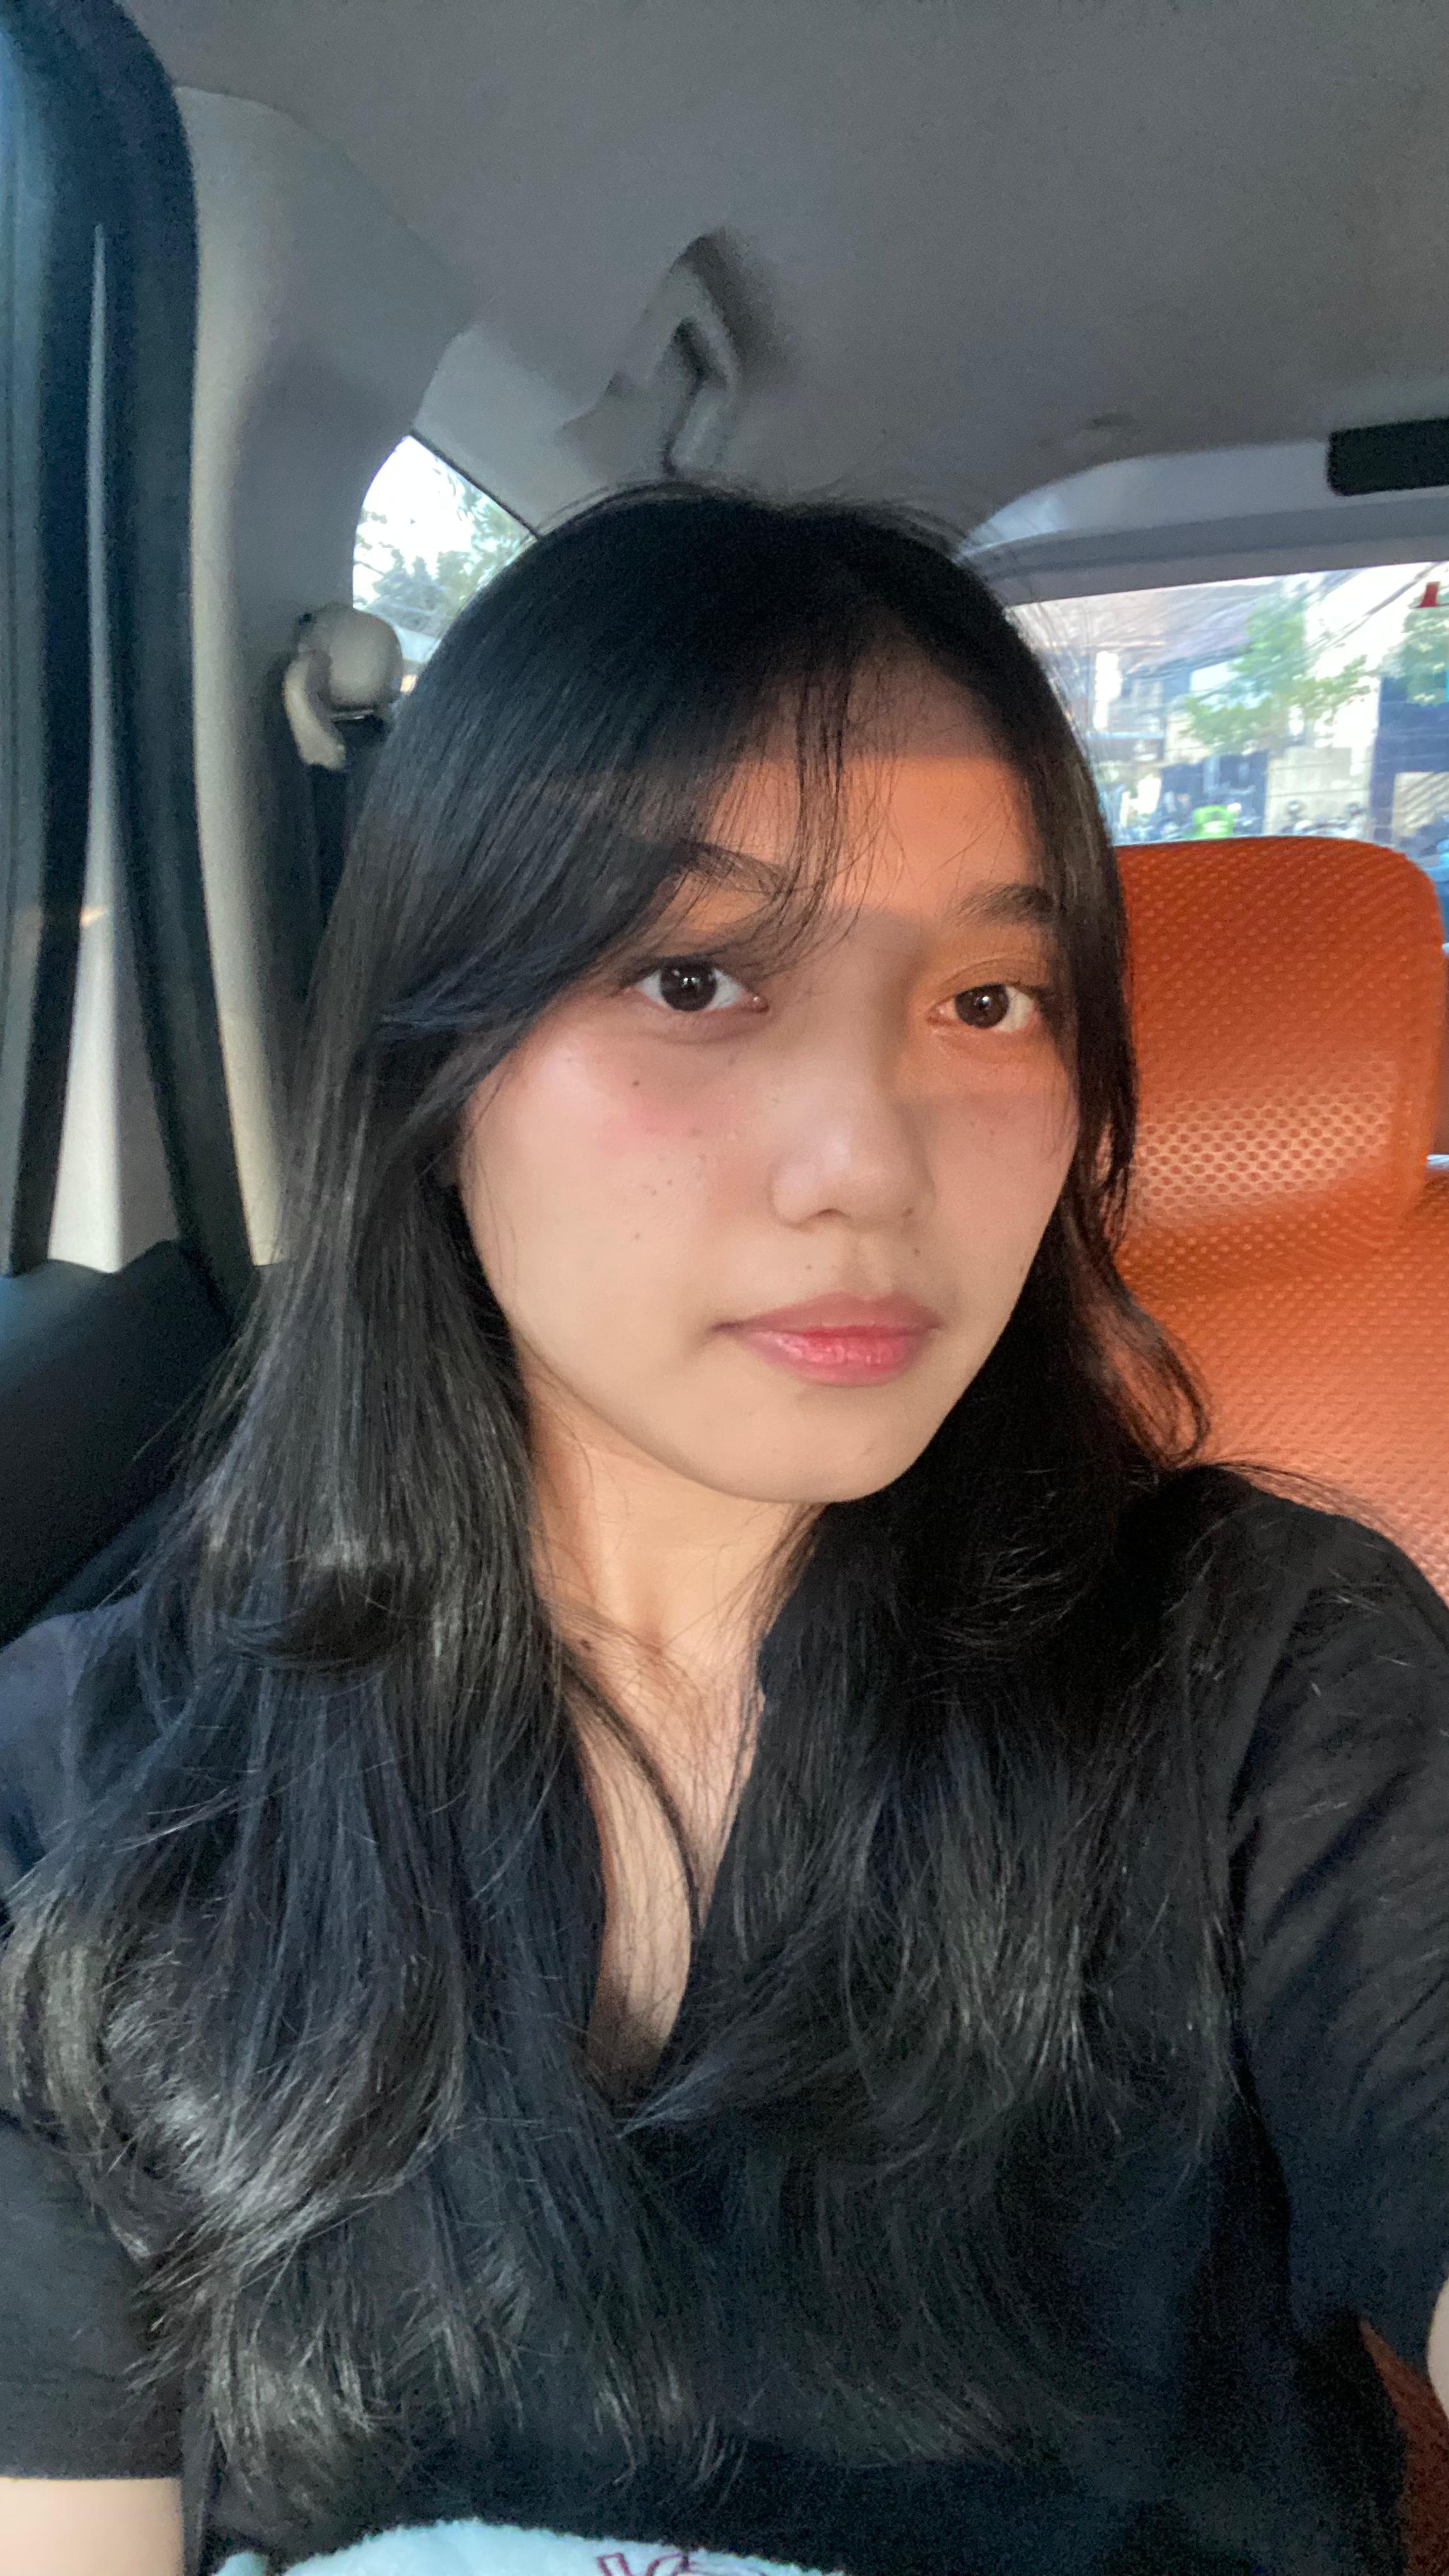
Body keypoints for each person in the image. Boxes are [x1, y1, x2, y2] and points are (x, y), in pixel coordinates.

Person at [0, 485, 1446, 2576]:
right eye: (692, 979)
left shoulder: (1270, 1683)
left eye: (989, 1002)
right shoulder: (81, 1791)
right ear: (430, 1078)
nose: (865, 1161)